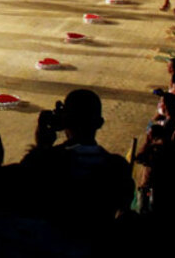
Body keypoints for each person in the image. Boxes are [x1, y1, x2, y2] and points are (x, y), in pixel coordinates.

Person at [20, 89, 134, 231]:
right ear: (99, 123)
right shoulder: (118, 167)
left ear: (63, 121)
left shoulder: (47, 162)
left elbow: (23, 187)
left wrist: (43, 145)